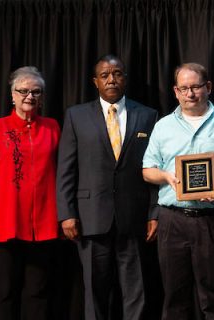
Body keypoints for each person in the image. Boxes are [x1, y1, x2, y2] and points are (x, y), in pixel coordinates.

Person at [142, 62, 214, 320]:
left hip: (213, 220)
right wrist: (167, 177)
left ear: (208, 87)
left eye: (196, 87)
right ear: (175, 91)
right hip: (172, 220)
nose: (190, 93)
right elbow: (147, 170)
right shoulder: (163, 126)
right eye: (184, 88)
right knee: (174, 296)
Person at [56, 54, 158, 320]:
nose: (111, 79)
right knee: (95, 290)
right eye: (105, 75)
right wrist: (66, 213)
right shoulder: (76, 116)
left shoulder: (147, 115)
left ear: (125, 78)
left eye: (117, 74)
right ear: (95, 81)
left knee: (136, 289)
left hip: (134, 218)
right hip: (90, 217)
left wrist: (154, 213)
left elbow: (155, 167)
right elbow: (66, 169)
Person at [0, 66, 60, 320]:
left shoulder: (53, 128)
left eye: (36, 92)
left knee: (38, 291)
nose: (29, 96)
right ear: (13, 95)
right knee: (7, 291)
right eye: (23, 91)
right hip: (6, 222)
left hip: (44, 223)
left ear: (41, 96)